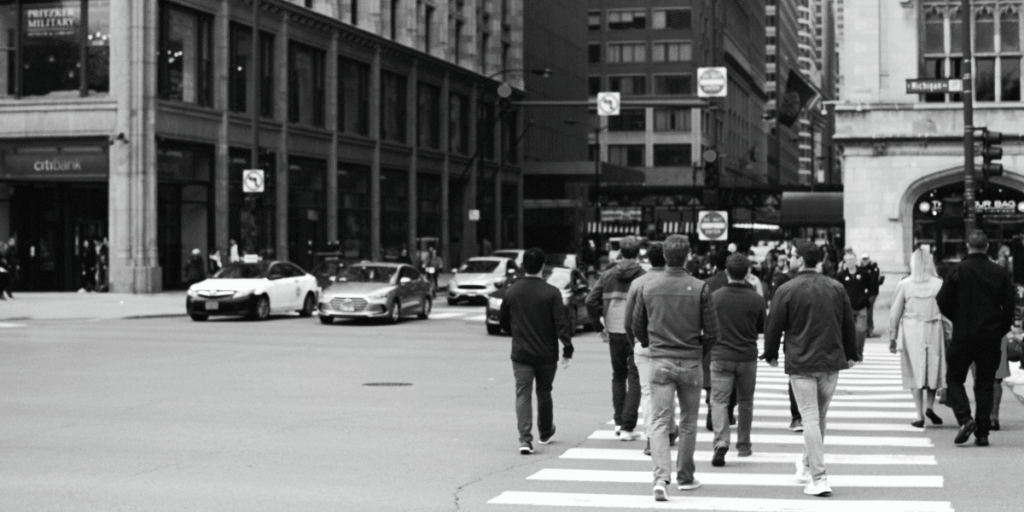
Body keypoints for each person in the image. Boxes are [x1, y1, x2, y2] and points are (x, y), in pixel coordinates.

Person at [763, 239, 859, 497]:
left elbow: (774, 325)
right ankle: (806, 465)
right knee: (818, 418)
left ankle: (819, 477)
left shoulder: (787, 289)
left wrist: (770, 353)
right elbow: (848, 323)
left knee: (810, 418)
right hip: (830, 361)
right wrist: (852, 353)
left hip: (802, 361)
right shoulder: (836, 287)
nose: (789, 259)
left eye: (792, 255)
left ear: (801, 259)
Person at [632, 235, 719, 500]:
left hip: (659, 361)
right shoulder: (700, 287)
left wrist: (651, 343)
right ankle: (685, 475)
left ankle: (660, 478)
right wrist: (699, 349)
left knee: (659, 421)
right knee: (689, 422)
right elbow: (713, 331)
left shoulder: (649, 287)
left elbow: (637, 326)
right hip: (691, 360)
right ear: (688, 255)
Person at [936, 230, 1015, 447]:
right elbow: (1010, 304)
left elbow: (942, 300)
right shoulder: (998, 272)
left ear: (968, 246)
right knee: (985, 383)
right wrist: (1002, 327)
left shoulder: (957, 270)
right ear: (987, 247)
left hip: (963, 333)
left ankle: (965, 418)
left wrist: (957, 318)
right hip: (990, 334)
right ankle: (982, 432)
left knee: (954, 377)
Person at [498, 248, 573, 455]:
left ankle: (524, 439)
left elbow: (503, 320)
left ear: (523, 266)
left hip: (521, 353)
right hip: (547, 353)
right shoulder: (552, 292)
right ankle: (545, 431)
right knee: (544, 391)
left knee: (523, 393)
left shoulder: (512, 290)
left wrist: (515, 332)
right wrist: (567, 348)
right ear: (543, 266)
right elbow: (562, 324)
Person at [586, 235, 646, 441]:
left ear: (620, 252)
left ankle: (619, 422)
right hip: (636, 332)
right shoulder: (643, 276)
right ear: (638, 253)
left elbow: (590, 301)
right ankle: (628, 426)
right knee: (635, 378)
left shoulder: (607, 275)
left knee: (618, 376)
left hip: (613, 331)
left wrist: (598, 326)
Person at [709, 253, 766, 466]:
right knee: (745, 402)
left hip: (721, 355)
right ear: (748, 273)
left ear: (726, 272)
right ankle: (744, 445)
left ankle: (721, 441)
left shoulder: (715, 297)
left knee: (720, 401)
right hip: (747, 357)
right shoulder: (756, 299)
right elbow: (762, 327)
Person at [624, 243, 678, 456]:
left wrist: (634, 342)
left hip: (643, 344)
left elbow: (628, 321)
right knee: (668, 390)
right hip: (669, 344)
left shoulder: (638, 283)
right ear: (666, 258)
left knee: (647, 393)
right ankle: (669, 430)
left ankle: (651, 437)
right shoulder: (675, 282)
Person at [888, 248, 947, 428]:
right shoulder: (939, 284)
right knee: (933, 367)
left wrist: (892, 335)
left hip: (912, 329)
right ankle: (930, 406)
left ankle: (919, 414)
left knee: (915, 371)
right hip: (934, 327)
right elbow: (947, 310)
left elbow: (895, 312)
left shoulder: (905, 284)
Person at [835, 250, 870, 360]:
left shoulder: (863, 273)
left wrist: (866, 298)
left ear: (855, 260)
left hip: (861, 306)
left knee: (860, 330)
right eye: (847, 260)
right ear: (845, 261)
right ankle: (848, 353)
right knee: (848, 331)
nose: (850, 262)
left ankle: (858, 353)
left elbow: (871, 286)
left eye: (851, 259)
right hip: (848, 307)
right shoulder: (841, 275)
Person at [861, 254, 884, 337]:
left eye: (866, 259)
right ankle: (866, 329)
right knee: (866, 310)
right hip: (864, 293)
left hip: (872, 292)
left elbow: (873, 282)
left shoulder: (874, 269)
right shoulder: (861, 269)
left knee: (868, 310)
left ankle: (869, 330)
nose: (865, 261)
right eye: (863, 259)